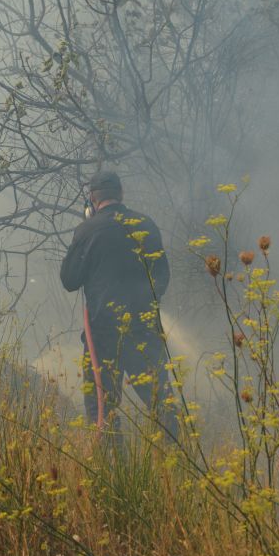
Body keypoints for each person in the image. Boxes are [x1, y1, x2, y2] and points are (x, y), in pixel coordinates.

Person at [60, 171, 179, 441]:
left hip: (102, 337)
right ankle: (180, 465)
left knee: (103, 413)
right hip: (144, 333)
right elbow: (163, 276)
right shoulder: (145, 224)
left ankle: (115, 472)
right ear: (121, 194)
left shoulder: (87, 230)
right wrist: (144, 305)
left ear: (92, 198)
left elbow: (69, 280)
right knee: (162, 406)